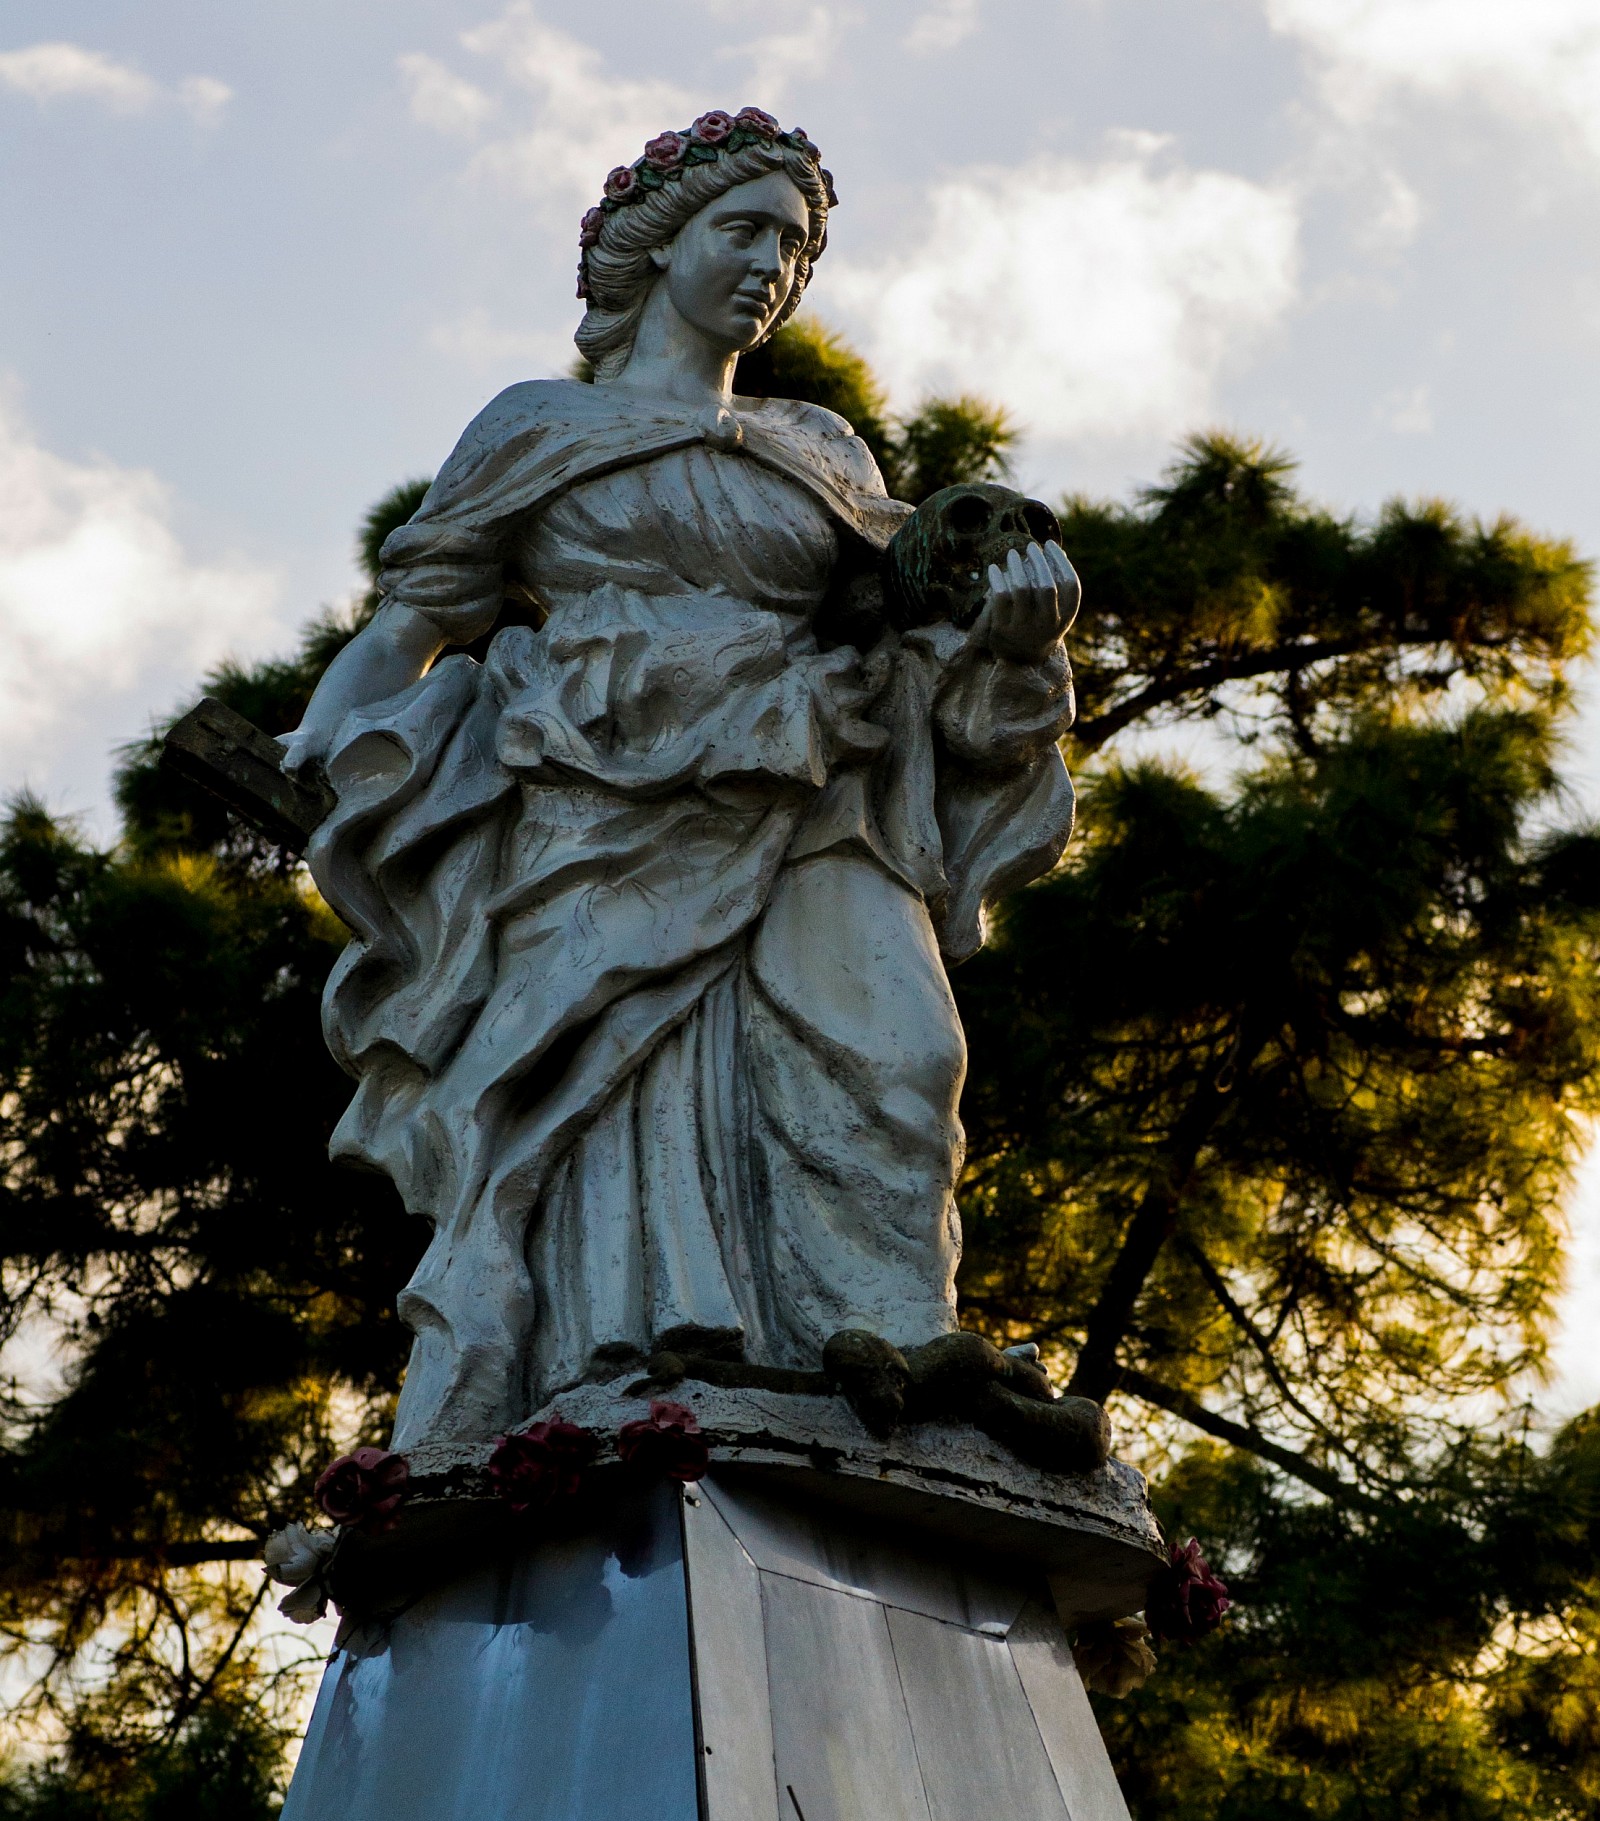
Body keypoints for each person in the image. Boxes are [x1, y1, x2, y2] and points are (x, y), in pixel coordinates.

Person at [280, 108, 1081, 1451]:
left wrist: (1008, 637)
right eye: (745, 230)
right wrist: (331, 745)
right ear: (657, 245)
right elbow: (413, 622)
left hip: (809, 774)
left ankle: (894, 1336)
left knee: (904, 1048)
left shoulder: (821, 450)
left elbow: (902, 643)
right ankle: (651, 1349)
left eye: (794, 246)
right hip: (598, 800)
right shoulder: (540, 426)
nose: (772, 264)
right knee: (614, 1071)